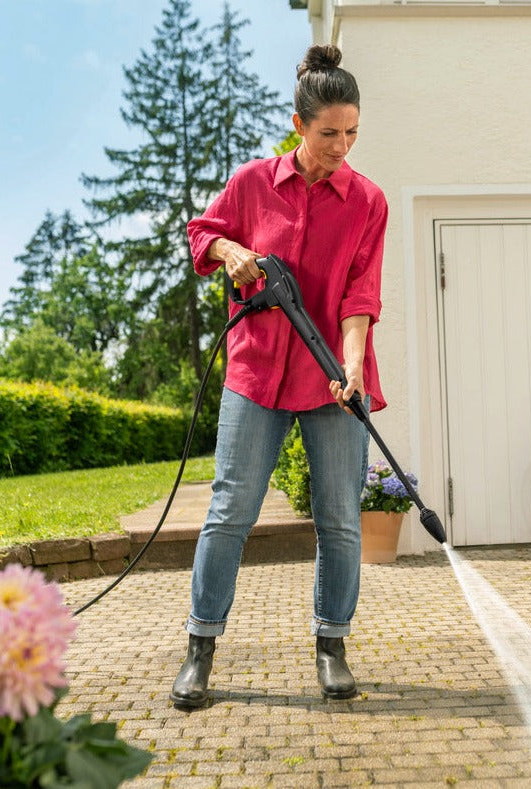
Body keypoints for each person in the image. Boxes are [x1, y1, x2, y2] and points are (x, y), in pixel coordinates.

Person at [170, 44, 388, 709]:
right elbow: (202, 232)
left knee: (340, 520)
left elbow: (360, 295)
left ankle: (331, 646)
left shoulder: (368, 202)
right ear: (298, 124)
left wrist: (351, 363)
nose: (341, 146)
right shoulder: (250, 184)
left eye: (351, 132)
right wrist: (233, 249)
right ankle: (200, 648)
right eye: (329, 134)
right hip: (256, 372)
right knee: (229, 510)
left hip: (333, 380)